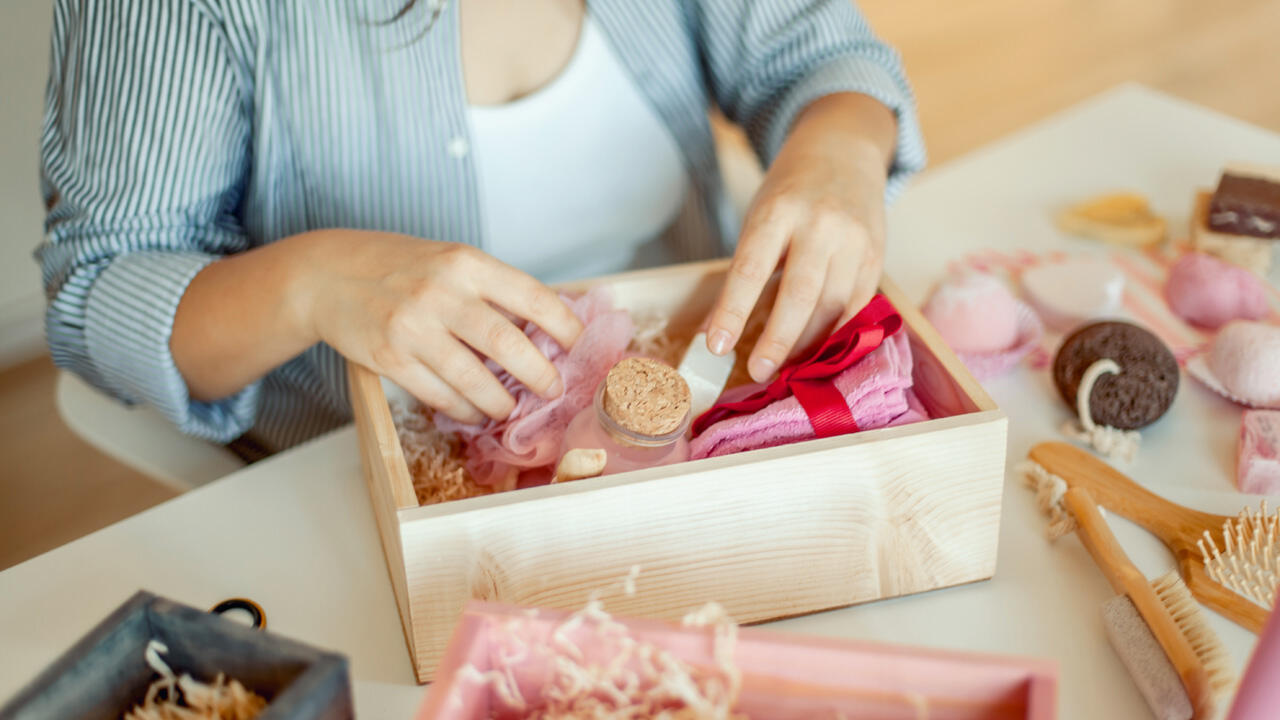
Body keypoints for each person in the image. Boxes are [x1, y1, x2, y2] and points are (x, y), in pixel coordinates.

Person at [38, 0, 925, 458]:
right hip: (367, 484)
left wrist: (839, 144)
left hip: (707, 424)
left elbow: (818, 56)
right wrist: (311, 282)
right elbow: (98, 291)